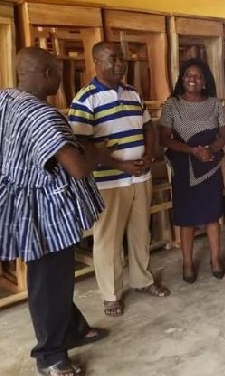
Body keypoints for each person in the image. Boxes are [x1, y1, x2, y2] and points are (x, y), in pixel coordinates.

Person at [0, 47, 110, 376]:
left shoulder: (5, 99)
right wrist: (102, 155)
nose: (62, 79)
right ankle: (50, 356)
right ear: (47, 74)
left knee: (55, 278)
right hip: (43, 210)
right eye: (58, 72)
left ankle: (73, 329)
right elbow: (77, 168)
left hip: (18, 200)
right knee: (48, 280)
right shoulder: (41, 115)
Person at [68, 42, 170, 318]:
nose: (120, 64)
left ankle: (142, 280)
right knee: (109, 239)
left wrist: (148, 153)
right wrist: (119, 163)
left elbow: (147, 125)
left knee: (140, 232)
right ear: (96, 62)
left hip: (140, 176)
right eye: (113, 59)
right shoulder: (85, 98)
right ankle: (111, 294)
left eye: (121, 59)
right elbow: (81, 146)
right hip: (109, 181)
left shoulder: (133, 93)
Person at [159, 58, 225, 283]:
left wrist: (210, 150)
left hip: (209, 167)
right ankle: (187, 262)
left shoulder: (215, 104)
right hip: (184, 169)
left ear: (205, 81)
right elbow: (165, 139)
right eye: (188, 74)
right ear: (182, 78)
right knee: (186, 218)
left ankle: (215, 259)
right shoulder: (172, 105)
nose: (192, 79)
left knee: (212, 215)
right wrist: (192, 150)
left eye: (198, 76)